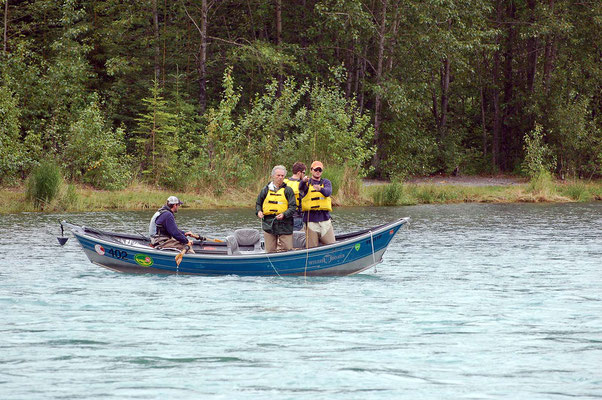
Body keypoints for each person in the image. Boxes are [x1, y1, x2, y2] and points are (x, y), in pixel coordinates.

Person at [256, 165, 296, 253]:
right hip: (269, 223)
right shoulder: (265, 190)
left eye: (282, 176)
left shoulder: (288, 190)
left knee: (287, 250)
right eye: (278, 175)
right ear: (273, 176)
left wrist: (284, 214)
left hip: (285, 224)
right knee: (270, 250)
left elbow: (293, 207)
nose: (280, 178)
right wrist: (259, 211)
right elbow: (258, 203)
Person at [299, 160, 335, 248]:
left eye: (320, 170)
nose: (318, 172)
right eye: (315, 170)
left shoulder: (326, 182)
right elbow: (301, 188)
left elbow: (328, 192)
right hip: (310, 220)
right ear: (311, 170)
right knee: (312, 247)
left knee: (332, 245)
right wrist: (303, 181)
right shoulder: (306, 182)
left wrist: (320, 189)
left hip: (324, 219)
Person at [283, 161, 306, 231]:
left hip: (284, 216)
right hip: (297, 217)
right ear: (299, 173)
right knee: (297, 238)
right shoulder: (301, 184)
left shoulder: (284, 182)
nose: (304, 175)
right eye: (304, 173)